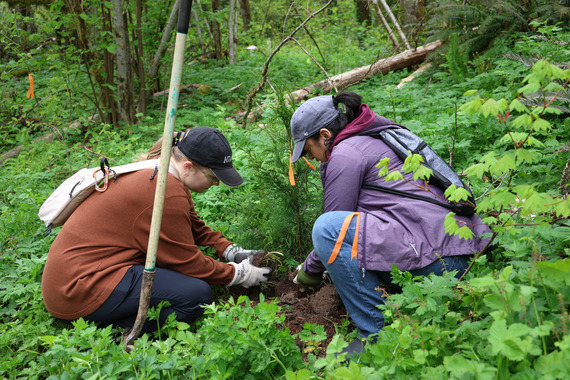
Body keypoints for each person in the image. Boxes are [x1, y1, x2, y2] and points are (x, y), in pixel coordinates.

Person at [290, 92, 491, 358]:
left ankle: (376, 334)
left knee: (326, 228)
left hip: (443, 261)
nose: (311, 158)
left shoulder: (346, 154)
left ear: (325, 135)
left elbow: (335, 228)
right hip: (459, 253)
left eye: (308, 150)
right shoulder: (372, 136)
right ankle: (397, 307)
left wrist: (309, 270)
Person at [42, 126, 271, 334]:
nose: (216, 184)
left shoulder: (162, 172)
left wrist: (230, 250)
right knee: (197, 296)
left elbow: (193, 228)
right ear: (189, 167)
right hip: (80, 291)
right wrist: (237, 274)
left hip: (71, 283)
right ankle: (115, 331)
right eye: (213, 177)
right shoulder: (163, 190)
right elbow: (187, 262)